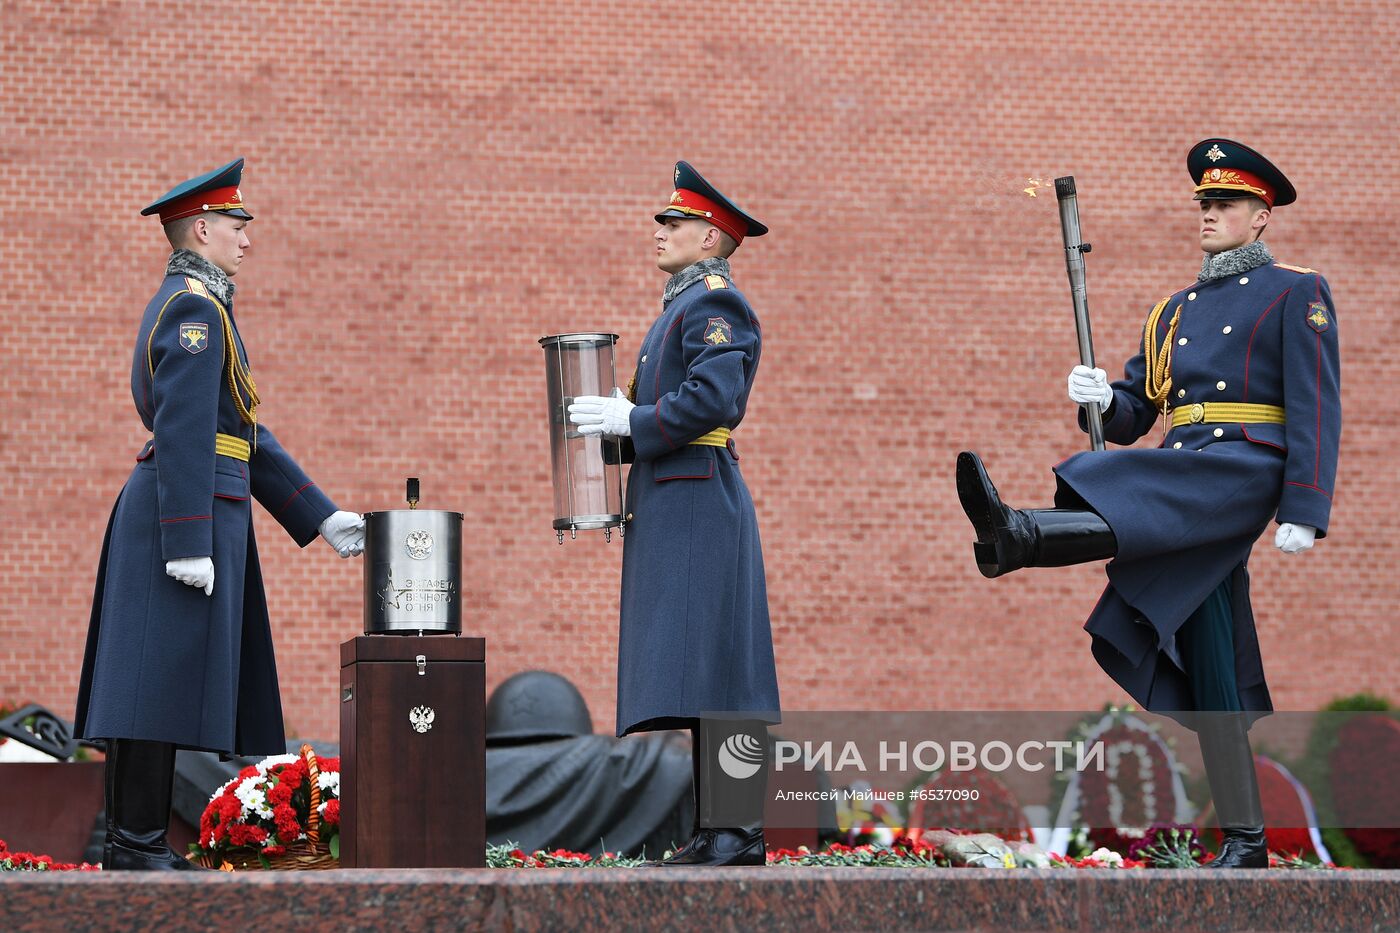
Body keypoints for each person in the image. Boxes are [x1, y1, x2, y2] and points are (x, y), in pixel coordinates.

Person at [957, 139, 1340, 868]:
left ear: (1261, 217)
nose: (1209, 214)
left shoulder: (1297, 290)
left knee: (1142, 481)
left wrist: (1305, 507)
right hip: (1184, 478)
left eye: (1225, 204)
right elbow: (1136, 412)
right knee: (1210, 650)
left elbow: (1317, 405)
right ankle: (1246, 841)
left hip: (1242, 471)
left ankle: (1026, 534)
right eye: (1204, 203)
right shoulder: (1174, 310)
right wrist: (1102, 396)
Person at [74, 158, 366, 870]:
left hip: (197, 506)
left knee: (157, 680)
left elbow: (243, 436)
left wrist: (318, 515)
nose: (246, 238)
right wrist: (186, 538)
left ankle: (131, 840)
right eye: (237, 225)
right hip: (186, 512)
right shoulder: (196, 309)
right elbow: (182, 426)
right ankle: (137, 842)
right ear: (202, 228)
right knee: (151, 684)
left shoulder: (204, 304)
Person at [568, 161, 780, 867]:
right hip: (675, 496)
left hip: (698, 495)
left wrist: (635, 418)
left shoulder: (715, 304)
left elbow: (715, 401)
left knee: (722, 669)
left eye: (677, 222)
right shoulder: (677, 310)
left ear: (713, 239)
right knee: (700, 670)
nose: (661, 231)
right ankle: (715, 827)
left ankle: (738, 830)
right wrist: (618, 430)